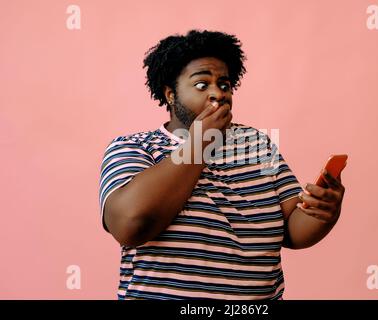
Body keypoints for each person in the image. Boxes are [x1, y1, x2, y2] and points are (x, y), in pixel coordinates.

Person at [99, 30, 345, 300]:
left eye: (225, 84)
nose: (218, 93)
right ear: (170, 94)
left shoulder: (258, 145)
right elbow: (130, 224)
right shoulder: (134, 147)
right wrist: (200, 143)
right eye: (202, 85)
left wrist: (323, 212)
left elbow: (294, 231)